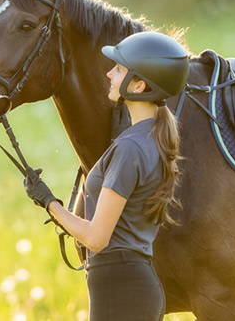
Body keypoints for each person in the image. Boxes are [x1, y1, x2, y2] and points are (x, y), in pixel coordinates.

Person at [23, 31, 190, 321]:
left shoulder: (130, 148)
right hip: (133, 284)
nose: (109, 73)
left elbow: (96, 238)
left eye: (120, 69)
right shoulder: (152, 138)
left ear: (139, 85)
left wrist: (49, 202)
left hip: (119, 288)